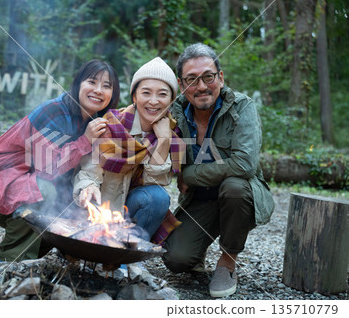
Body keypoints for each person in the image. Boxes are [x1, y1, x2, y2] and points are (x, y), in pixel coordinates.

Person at [0, 60, 120, 265]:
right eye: (92, 82)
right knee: (45, 192)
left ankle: (31, 256)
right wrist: (85, 140)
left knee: (74, 209)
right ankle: (8, 264)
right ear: (78, 84)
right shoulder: (53, 112)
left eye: (107, 86)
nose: (98, 90)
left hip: (19, 183)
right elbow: (48, 169)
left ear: (113, 94)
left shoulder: (93, 120)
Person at [162, 43, 275, 298]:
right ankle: (199, 247)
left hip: (239, 195)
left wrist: (187, 175)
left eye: (208, 77)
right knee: (176, 260)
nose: (201, 86)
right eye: (192, 79)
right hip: (199, 199)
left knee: (234, 186)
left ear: (220, 78)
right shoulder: (174, 112)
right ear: (182, 85)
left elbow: (244, 165)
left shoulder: (242, 107)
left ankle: (227, 261)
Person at [73, 57, 184, 241]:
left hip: (131, 212)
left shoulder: (172, 135)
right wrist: (89, 186)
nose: (154, 101)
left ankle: (132, 255)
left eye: (163, 94)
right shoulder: (111, 125)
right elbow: (88, 173)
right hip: (102, 205)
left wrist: (164, 141)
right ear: (134, 96)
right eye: (146, 93)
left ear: (172, 100)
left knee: (159, 197)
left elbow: (154, 184)